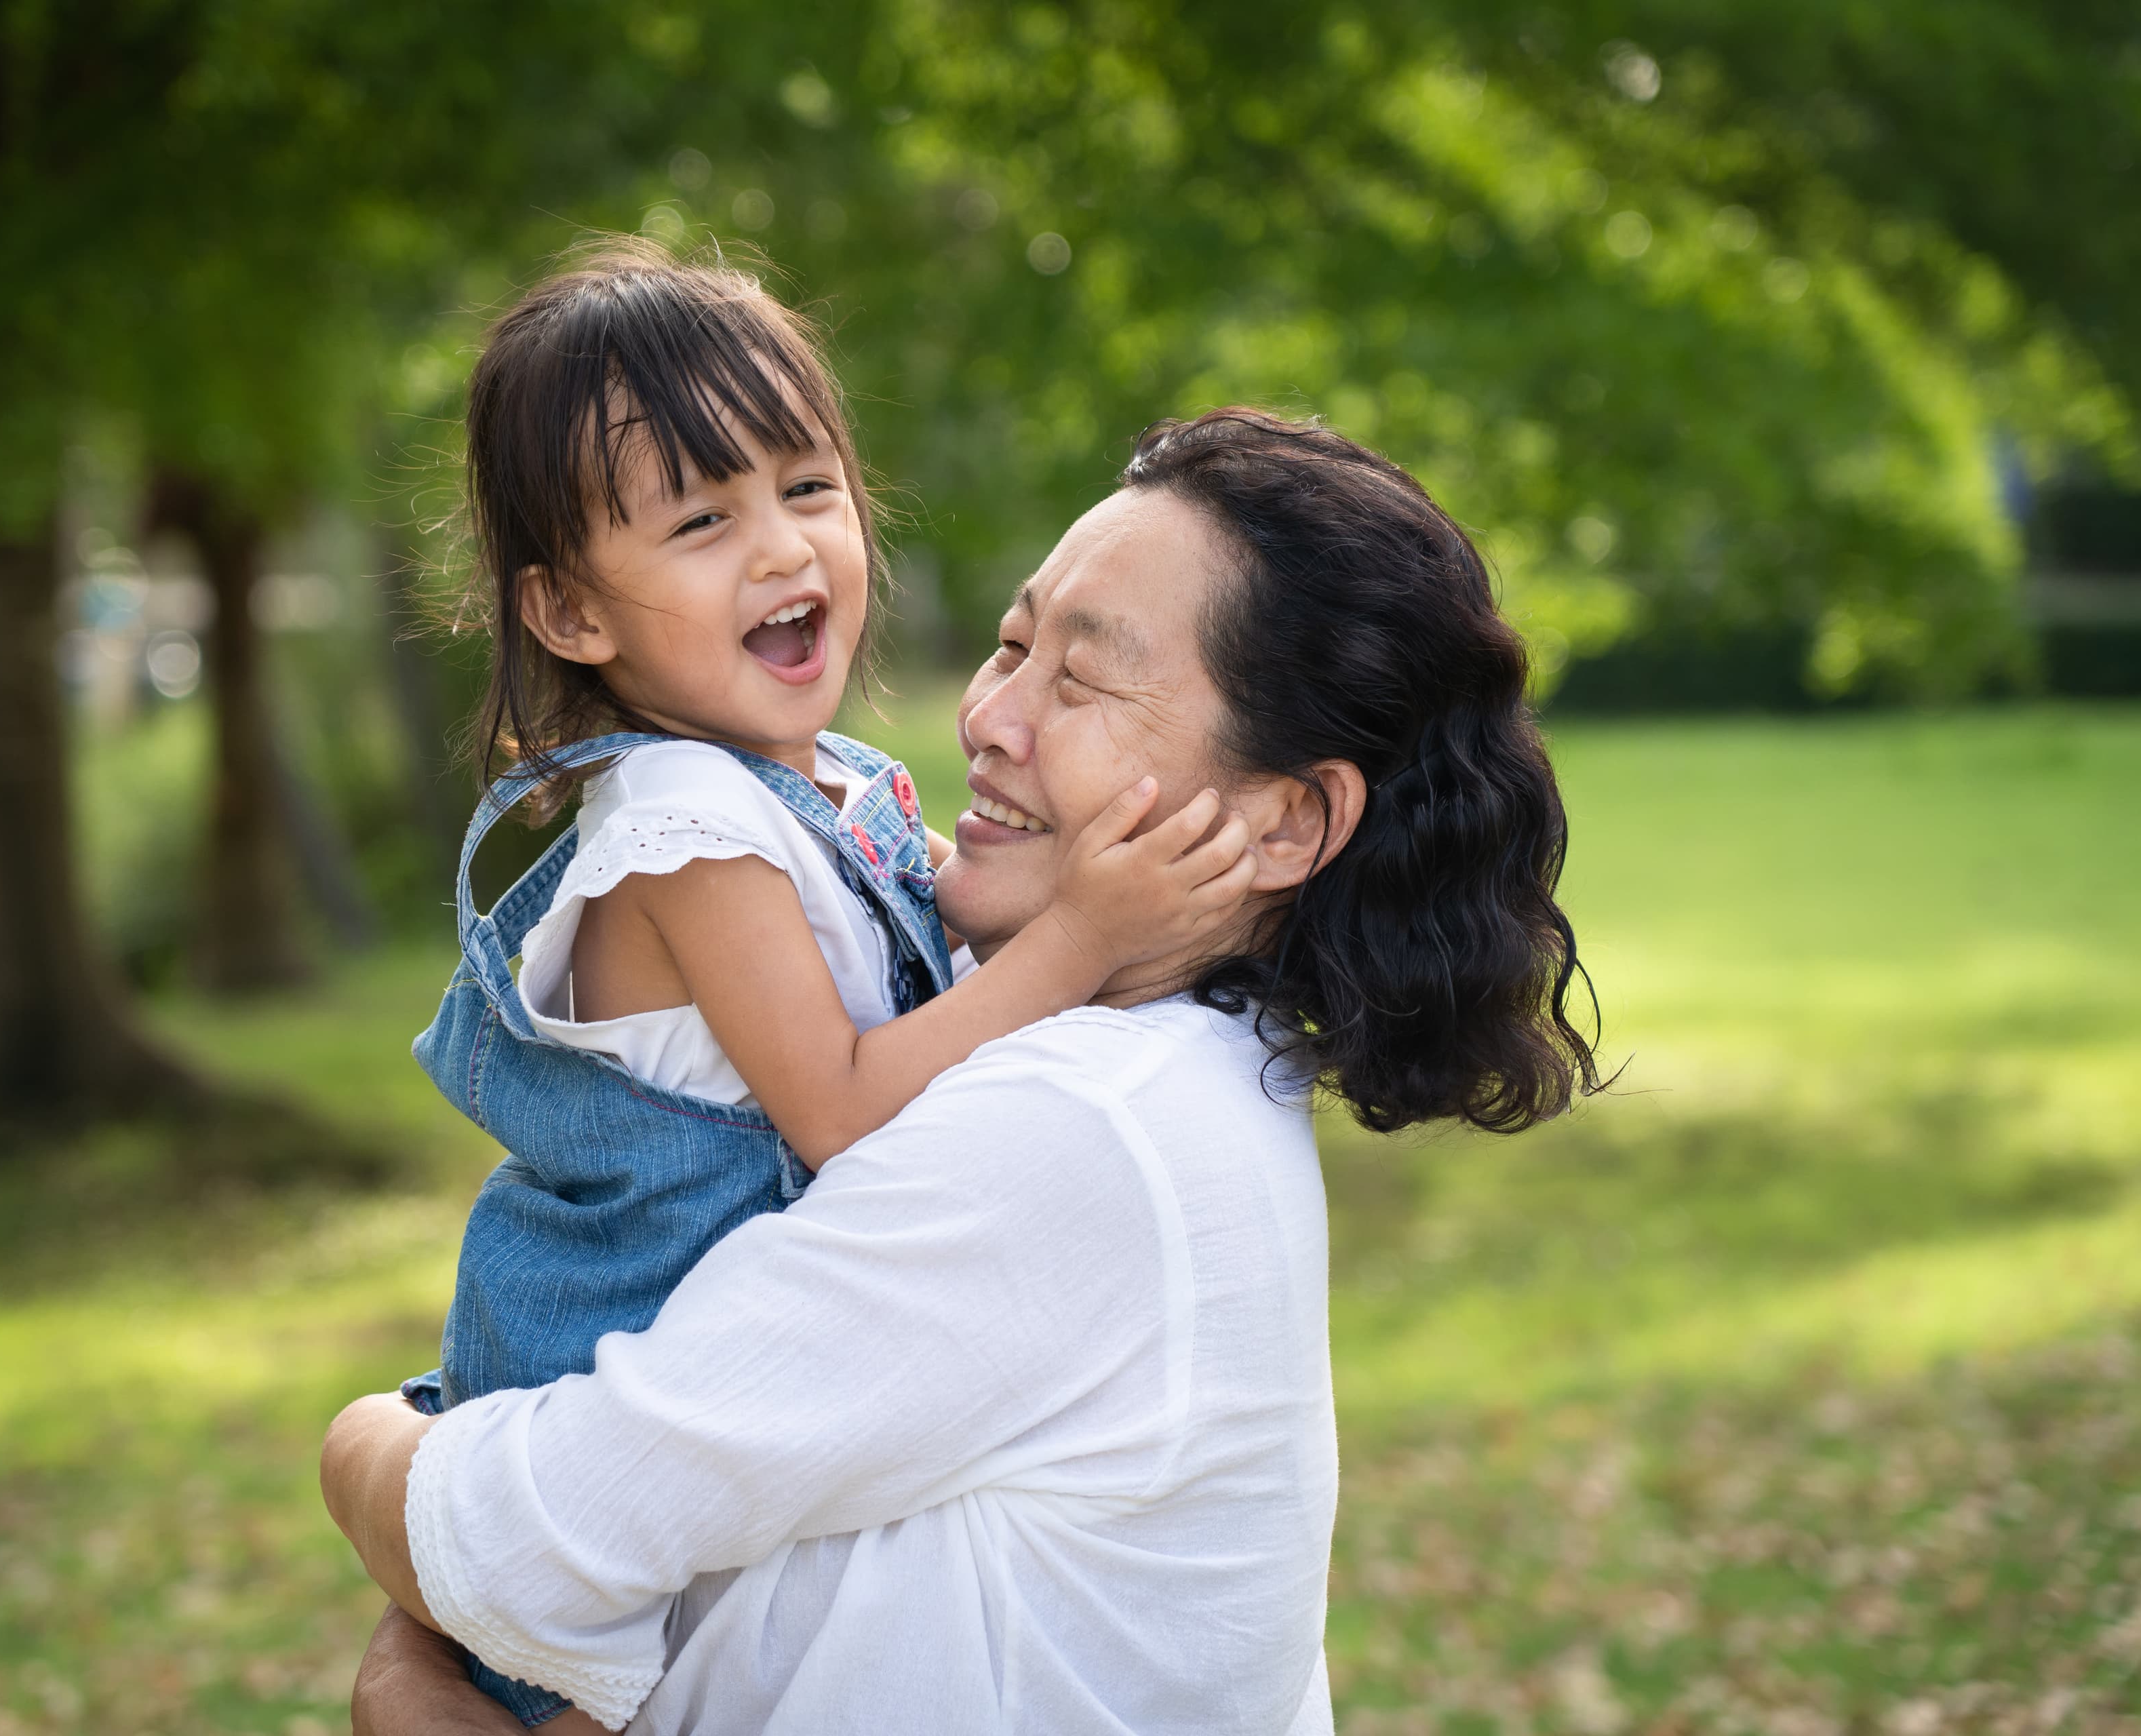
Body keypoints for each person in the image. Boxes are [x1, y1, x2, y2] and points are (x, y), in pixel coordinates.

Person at [327, 409, 1600, 1734]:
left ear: (1285, 821)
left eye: (1082, 680)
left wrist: (361, 1448)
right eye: (1010, 643)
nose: (986, 716)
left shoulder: (1077, 1126)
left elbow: (524, 1543)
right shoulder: (1189, 1070)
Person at [395, 243, 1259, 1727]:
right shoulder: (684, 828)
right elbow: (845, 1109)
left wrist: (1099, 882)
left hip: (721, 1374)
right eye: (701, 520)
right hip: (608, 1355)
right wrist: (1088, 932)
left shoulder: (827, 785)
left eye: (807, 486)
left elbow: (946, 943)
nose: (785, 550)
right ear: (573, 615)